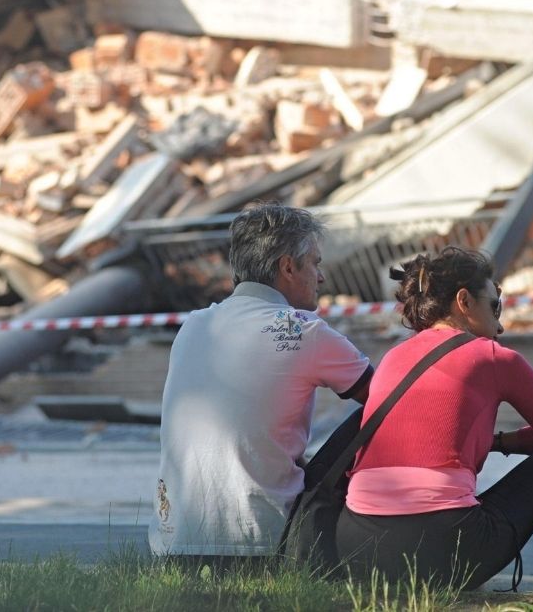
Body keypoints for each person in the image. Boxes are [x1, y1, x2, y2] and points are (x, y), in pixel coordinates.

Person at [336, 247, 533, 592]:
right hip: (441, 549)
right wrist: (507, 442)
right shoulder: (492, 357)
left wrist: (496, 442)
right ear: (464, 301)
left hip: (358, 550)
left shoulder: (393, 356)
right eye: (495, 305)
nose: (500, 325)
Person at [150, 204, 374, 566]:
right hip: (263, 546)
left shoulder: (194, 325)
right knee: (376, 415)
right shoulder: (302, 329)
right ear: (288, 267)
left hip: (172, 545)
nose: (321, 278)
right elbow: (390, 400)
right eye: (315, 263)